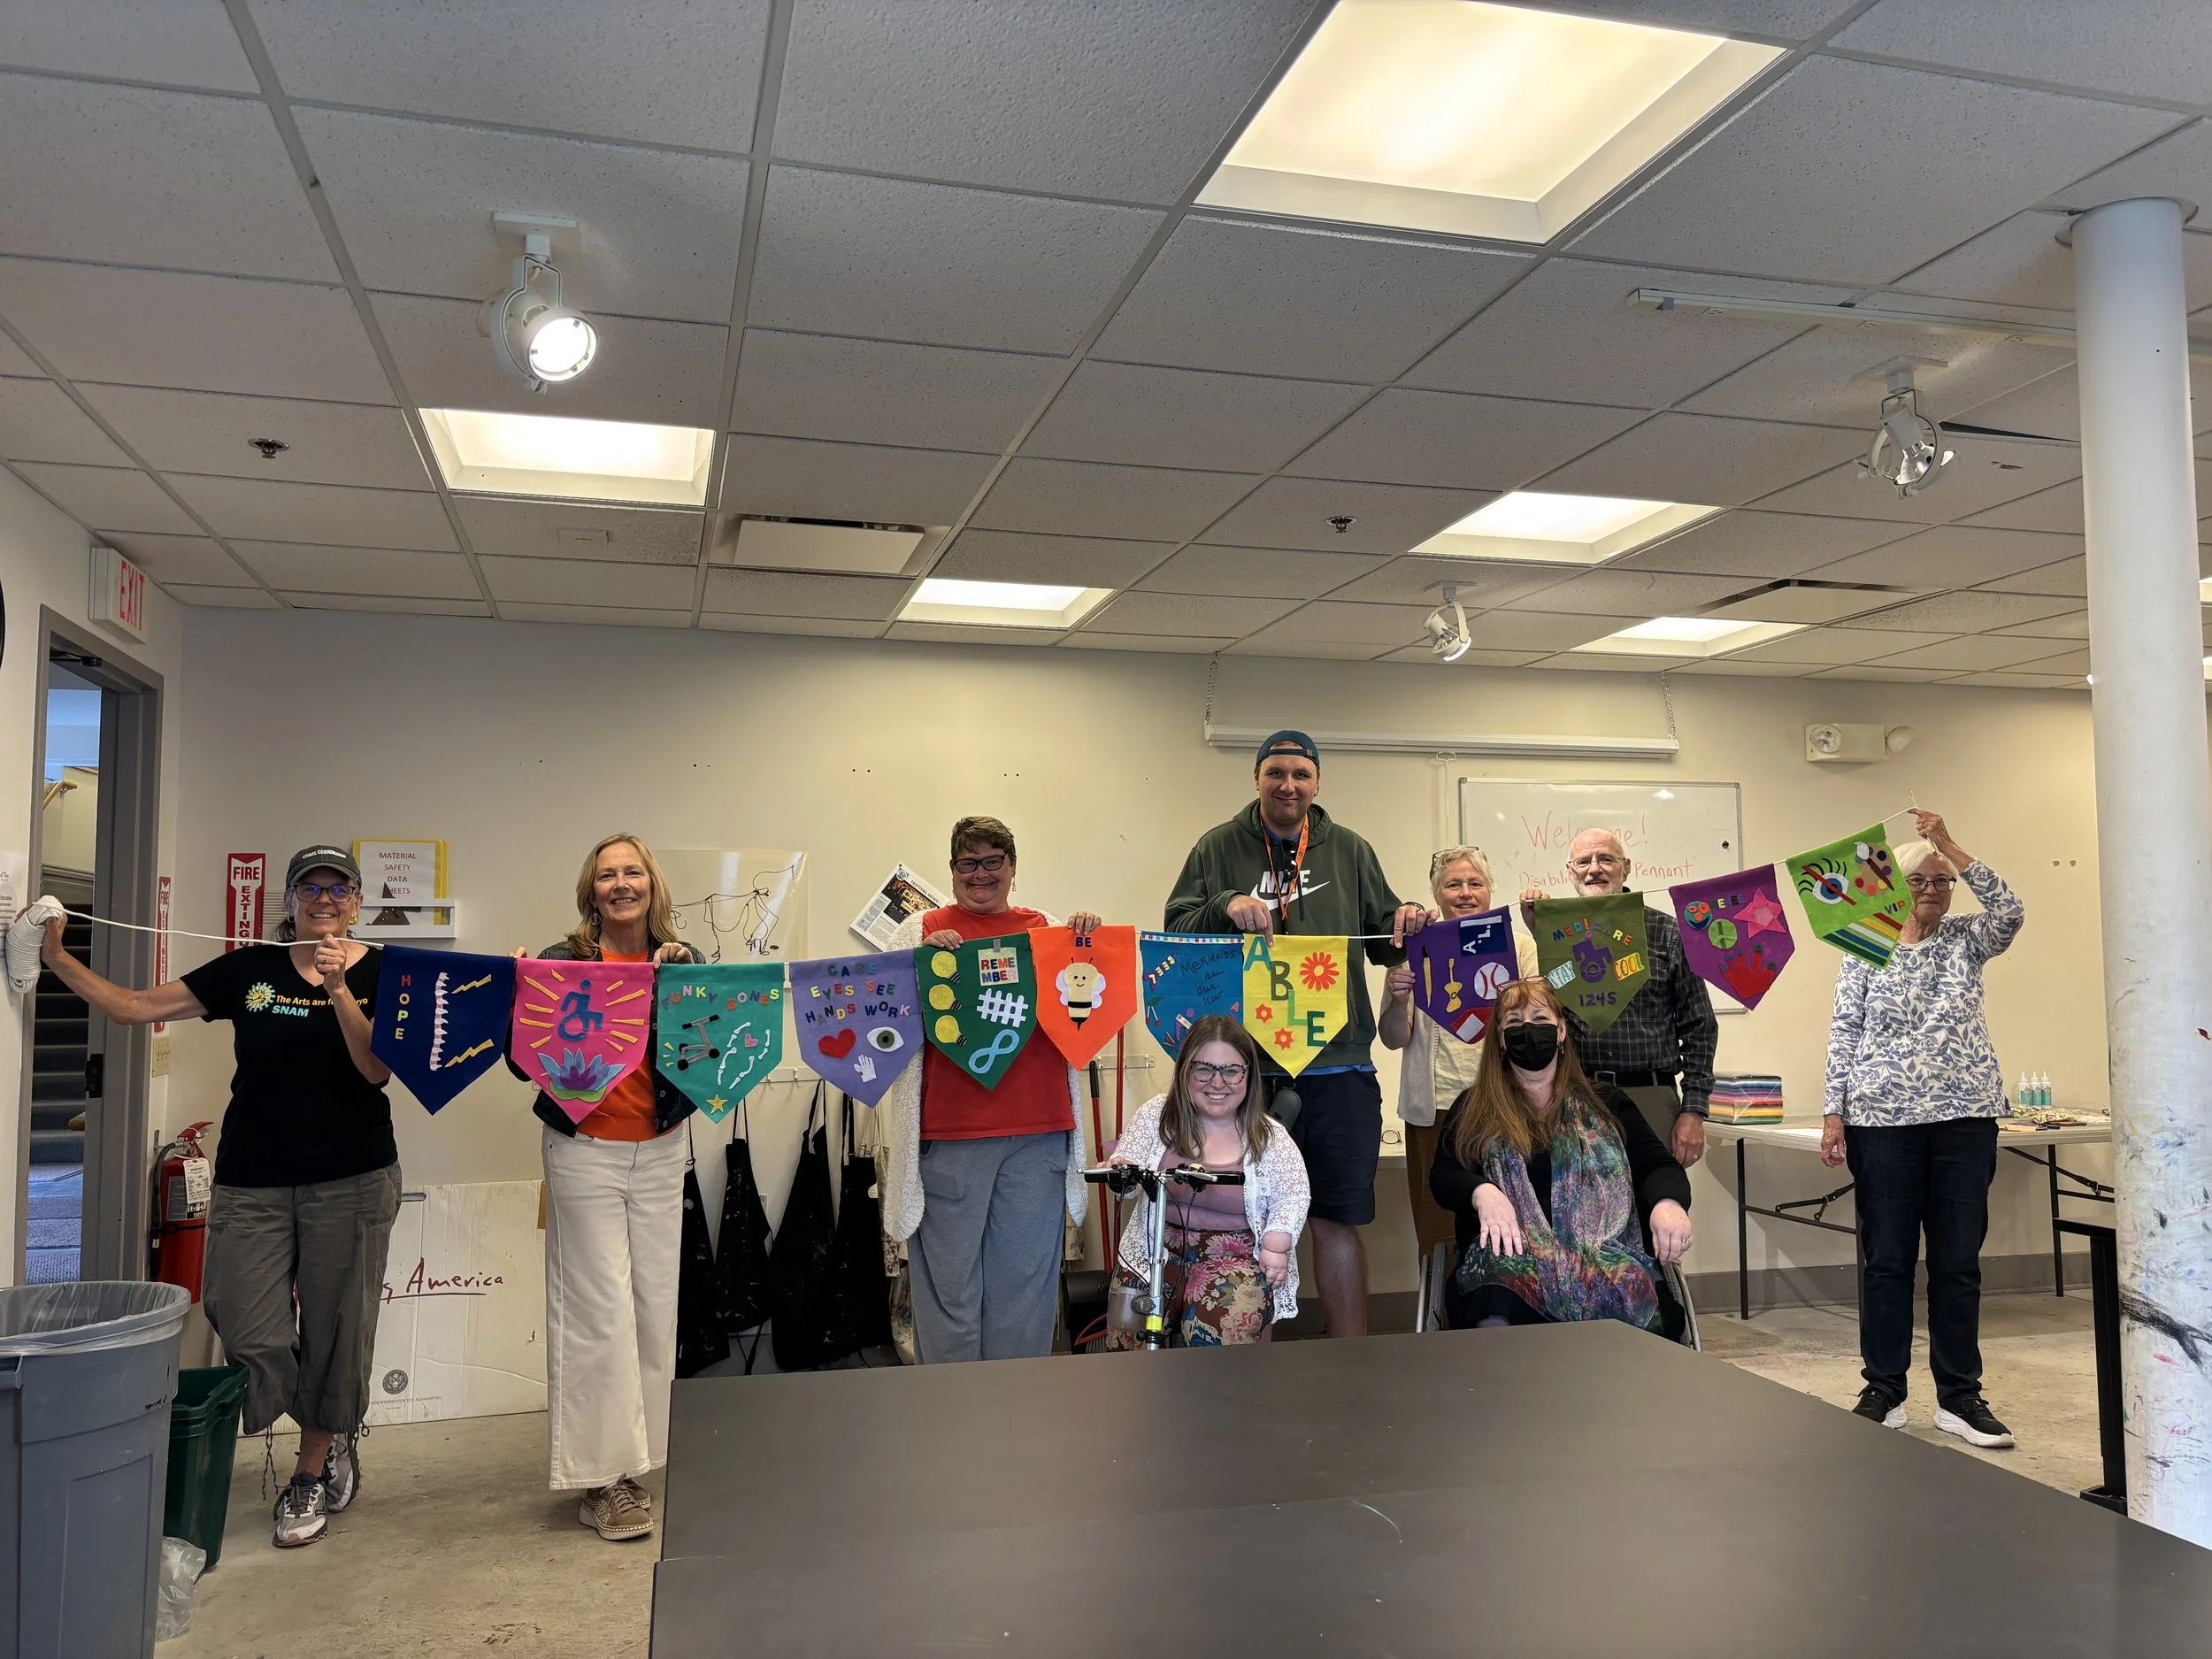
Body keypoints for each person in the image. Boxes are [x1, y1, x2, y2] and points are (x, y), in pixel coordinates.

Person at [42, 845, 397, 1550]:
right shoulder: (249, 969)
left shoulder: (385, 970)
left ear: (356, 901)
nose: (323, 897)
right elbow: (135, 1007)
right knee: (245, 1318)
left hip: (351, 1179)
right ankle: (318, 1406)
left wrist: (338, 988)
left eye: (338, 887)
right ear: (290, 900)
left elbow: (375, 1068)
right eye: (308, 887)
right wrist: (56, 958)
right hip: (253, 1179)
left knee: (337, 1325)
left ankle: (312, 1466)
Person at [1165, 731, 1428, 1338]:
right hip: (1245, 1072)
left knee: (1337, 1219)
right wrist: (1224, 904)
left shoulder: (1350, 849)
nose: (1289, 785)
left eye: (1301, 774)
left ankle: (1350, 1359)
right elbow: (1175, 925)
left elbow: (1386, 935)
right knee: (1241, 1223)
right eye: (1277, 773)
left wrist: (1408, 916)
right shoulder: (1217, 846)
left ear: (1317, 783)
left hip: (1339, 1066)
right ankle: (1242, 1355)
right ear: (1257, 778)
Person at [507, 833, 700, 1542]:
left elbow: (704, 1050)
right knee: (597, 1310)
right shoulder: (563, 961)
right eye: (607, 874)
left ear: (653, 882)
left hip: (659, 1147)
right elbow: (521, 1061)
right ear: (591, 891)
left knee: (654, 1308)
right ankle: (599, 1479)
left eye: (633, 871)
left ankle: (638, 1464)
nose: (622, 883)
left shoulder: (682, 959)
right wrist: (518, 991)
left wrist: (683, 983)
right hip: (585, 1148)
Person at [1820, 810, 2024, 1449]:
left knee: (1958, 1262)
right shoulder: (1865, 938)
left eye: (1941, 881)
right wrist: (1835, 1110)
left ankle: (1961, 1396)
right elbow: (1845, 1028)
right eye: (1920, 879)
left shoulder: (1969, 938)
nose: (1932, 889)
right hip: (1882, 1121)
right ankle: (1883, 1387)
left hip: (1965, 1118)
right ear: (1893, 885)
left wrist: (1951, 846)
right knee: (1887, 1261)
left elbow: (2012, 910)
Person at [880, 817, 1100, 1363]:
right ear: (952, 870)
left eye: (992, 861)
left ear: (1012, 869)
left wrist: (1084, 940)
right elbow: (883, 1015)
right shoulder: (918, 930)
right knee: (949, 1288)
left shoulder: (1047, 928)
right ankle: (954, 1419)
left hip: (1039, 1134)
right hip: (951, 1137)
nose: (980, 874)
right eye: (967, 863)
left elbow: (1089, 1002)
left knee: (1024, 1288)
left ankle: (1013, 1419)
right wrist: (922, 962)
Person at [1431, 977, 1692, 1333]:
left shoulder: (1605, 1102)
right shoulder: (1474, 1107)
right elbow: (1444, 1175)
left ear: (1561, 1032)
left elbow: (1658, 1165)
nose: (1529, 1031)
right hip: (1508, 1260)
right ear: (1502, 1041)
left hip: (1604, 1254)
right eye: (1514, 1024)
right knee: (1494, 1299)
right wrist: (1483, 1192)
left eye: (1540, 1021)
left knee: (1637, 1293)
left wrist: (1668, 1204)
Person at [1379, 845, 1539, 1315]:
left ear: (1490, 891)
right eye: (1453, 884)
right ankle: (1442, 1327)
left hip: (1507, 1107)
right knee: (1438, 1230)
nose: (1465, 893)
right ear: (1436, 893)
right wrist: (1394, 999)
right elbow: (1392, 1038)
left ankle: (1515, 1320)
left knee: (1517, 1223)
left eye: (1475, 884)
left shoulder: (1518, 943)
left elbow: (1540, 1019)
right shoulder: (1414, 944)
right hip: (1436, 1110)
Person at [1104, 1018, 1310, 1348]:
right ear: (1186, 1071)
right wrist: (1120, 1171)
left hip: (1235, 1258)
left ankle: (1213, 1399)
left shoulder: (1270, 1136)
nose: (1218, 1083)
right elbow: (1129, 1176)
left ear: (1248, 1074)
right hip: (1158, 1249)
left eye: (1231, 1071)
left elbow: (1293, 1195)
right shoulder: (1157, 1115)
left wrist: (1276, 1244)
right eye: (1204, 1070)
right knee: (1126, 1336)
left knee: (1218, 1337)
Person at [1520, 827, 1717, 1170]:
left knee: (1658, 1205)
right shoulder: (1554, 938)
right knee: (1580, 1212)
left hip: (1651, 1096)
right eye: (1583, 861)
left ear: (1625, 867)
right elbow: (1540, 1019)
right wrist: (1541, 935)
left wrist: (1694, 1110)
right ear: (1571, 872)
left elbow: (1700, 1026)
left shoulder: (1666, 932)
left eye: (1605, 859)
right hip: (1577, 1096)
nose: (1594, 868)